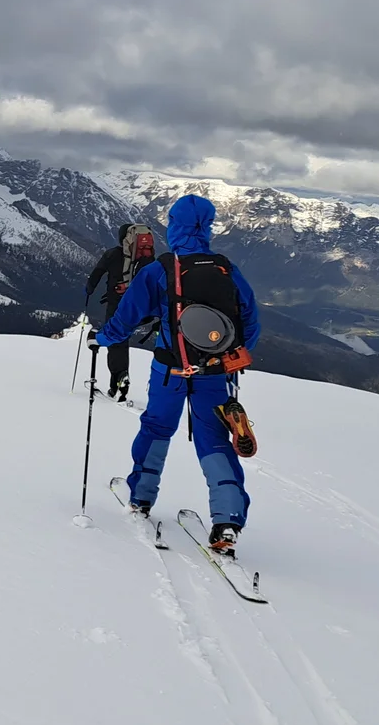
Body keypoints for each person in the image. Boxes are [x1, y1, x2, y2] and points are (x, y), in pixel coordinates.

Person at [94, 194, 261, 554]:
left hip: (170, 368)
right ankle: (228, 519)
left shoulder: (161, 269)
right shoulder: (226, 269)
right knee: (215, 439)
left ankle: (140, 496)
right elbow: (250, 320)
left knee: (156, 427)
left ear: (175, 226)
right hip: (215, 373)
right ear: (208, 226)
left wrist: (102, 338)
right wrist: (228, 355)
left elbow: (125, 318)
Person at [84, 223, 154, 402]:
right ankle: (122, 378)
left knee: (116, 341)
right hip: (142, 306)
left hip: (117, 305)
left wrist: (90, 289)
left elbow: (97, 274)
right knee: (123, 339)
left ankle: (118, 379)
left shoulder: (112, 254)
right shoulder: (146, 257)